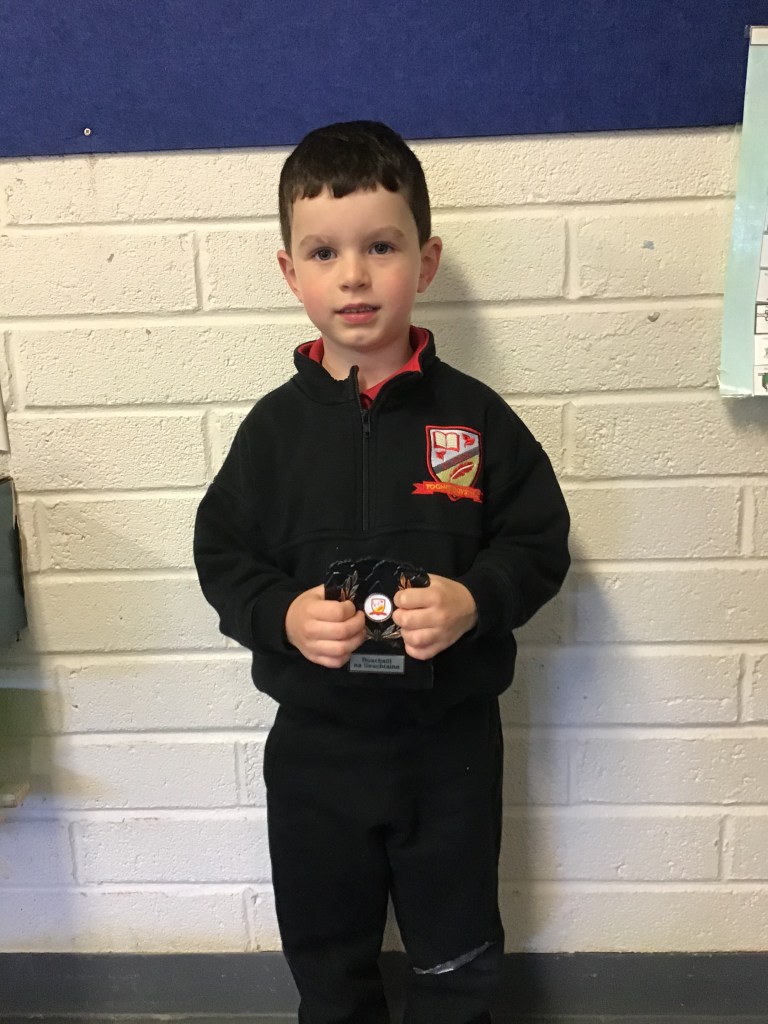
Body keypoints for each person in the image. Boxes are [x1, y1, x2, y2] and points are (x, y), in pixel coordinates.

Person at [194, 120, 570, 1024]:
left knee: (458, 957)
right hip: (317, 750)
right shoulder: (271, 435)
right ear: (290, 272)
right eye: (324, 252)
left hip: (449, 749)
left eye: (381, 247)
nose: (354, 276)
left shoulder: (474, 421)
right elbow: (222, 555)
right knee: (328, 963)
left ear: (425, 261)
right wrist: (283, 616)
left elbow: (538, 541)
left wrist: (475, 599)